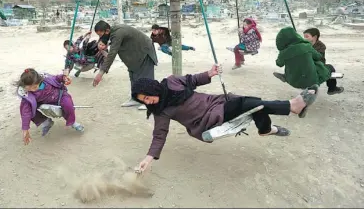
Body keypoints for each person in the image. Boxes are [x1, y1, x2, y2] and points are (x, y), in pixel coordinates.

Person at [131, 64, 319, 172]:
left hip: (216, 102)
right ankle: (293, 106)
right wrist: (148, 159)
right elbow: (159, 135)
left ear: (152, 88)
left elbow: (192, 80)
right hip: (206, 120)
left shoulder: (172, 81)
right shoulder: (161, 111)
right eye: (145, 101)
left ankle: (266, 129)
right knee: (248, 104)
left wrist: (210, 73)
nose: (149, 101)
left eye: (147, 96)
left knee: (252, 103)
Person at [92, 20, 158, 110]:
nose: (100, 37)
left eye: (101, 35)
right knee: (134, 75)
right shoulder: (113, 32)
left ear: (107, 31)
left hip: (145, 51)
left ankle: (150, 101)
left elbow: (112, 53)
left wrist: (100, 73)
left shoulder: (118, 33)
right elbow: (112, 42)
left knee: (146, 76)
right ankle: (136, 99)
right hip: (135, 55)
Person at [15, 68, 84, 145]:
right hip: (44, 103)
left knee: (68, 104)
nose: (32, 90)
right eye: (29, 88)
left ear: (39, 81)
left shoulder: (46, 80)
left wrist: (64, 77)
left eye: (34, 87)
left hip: (59, 96)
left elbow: (57, 78)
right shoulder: (26, 93)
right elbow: (25, 113)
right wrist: (25, 130)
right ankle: (46, 122)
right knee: (30, 111)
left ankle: (72, 122)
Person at [303, 28, 344, 95]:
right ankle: (331, 88)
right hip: (308, 66)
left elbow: (318, 57)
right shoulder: (304, 45)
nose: (304, 38)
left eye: (307, 36)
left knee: (330, 68)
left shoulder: (321, 46)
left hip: (318, 65)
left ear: (315, 37)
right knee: (329, 68)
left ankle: (332, 88)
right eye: (304, 37)